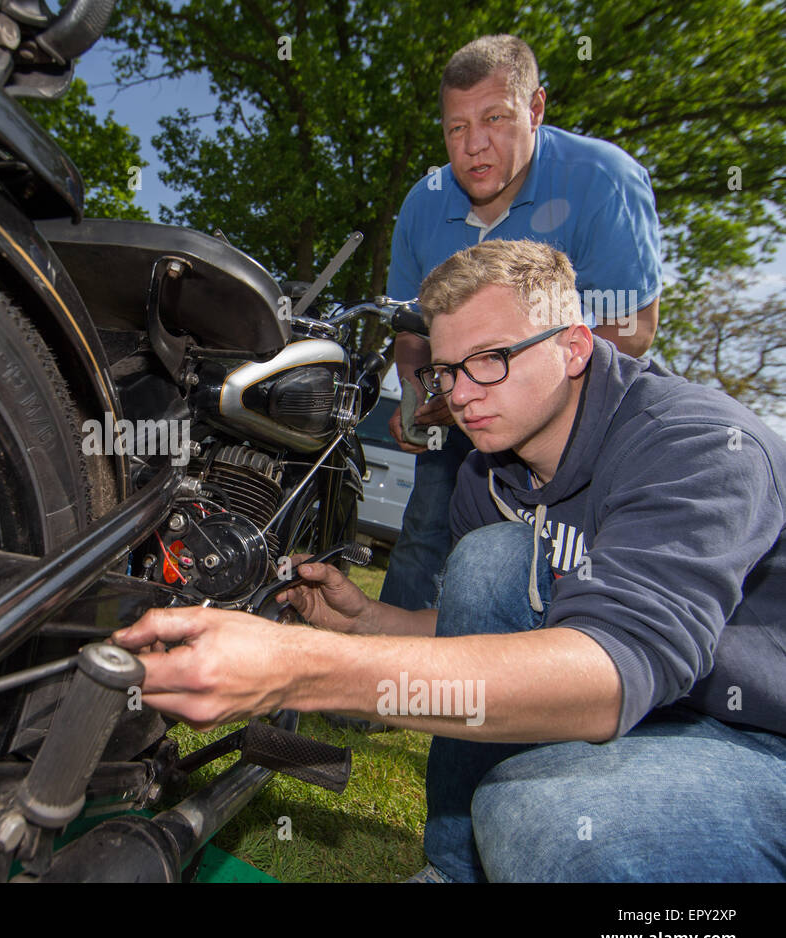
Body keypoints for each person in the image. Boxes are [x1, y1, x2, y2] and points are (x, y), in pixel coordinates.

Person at [111, 240, 786, 882]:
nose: (459, 394)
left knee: (536, 817)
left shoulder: (696, 445)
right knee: (492, 562)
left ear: (574, 347)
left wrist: (299, 669)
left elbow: (610, 674)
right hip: (646, 706)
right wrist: (368, 619)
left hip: (753, 737)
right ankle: (454, 866)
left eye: (490, 359)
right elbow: (476, 637)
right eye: (446, 369)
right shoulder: (488, 468)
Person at [380, 34, 662, 613]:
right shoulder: (422, 203)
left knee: (577, 563)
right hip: (463, 423)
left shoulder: (603, 178)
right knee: (422, 545)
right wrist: (421, 389)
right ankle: (382, 698)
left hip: (585, 423)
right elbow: (410, 331)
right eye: (456, 128)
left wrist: (518, 390)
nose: (473, 146)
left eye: (495, 119)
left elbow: (629, 330)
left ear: (535, 109)